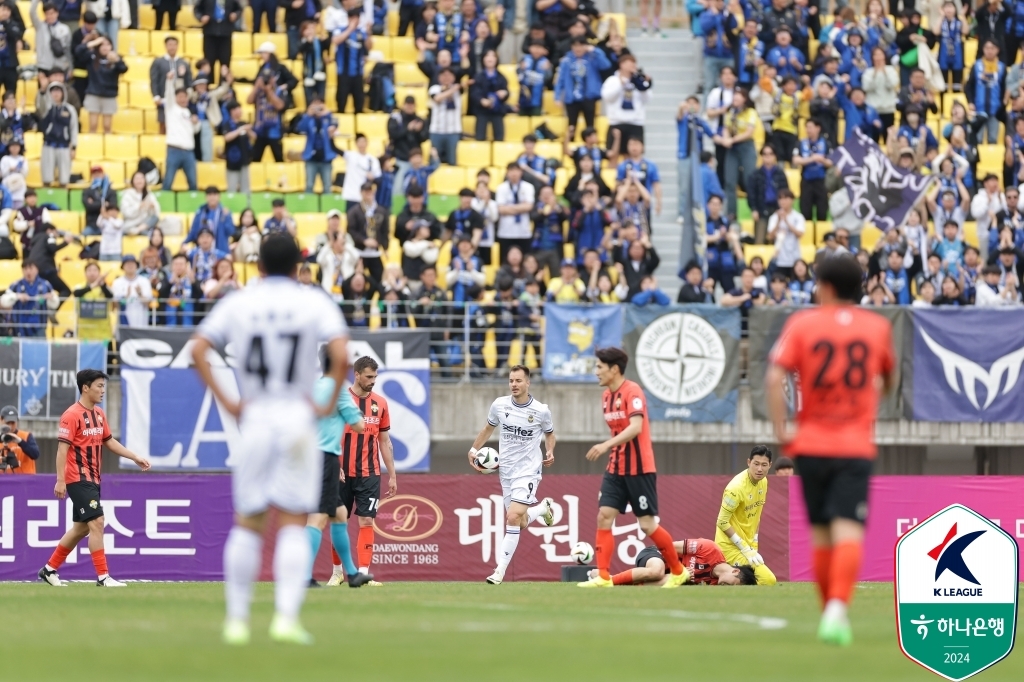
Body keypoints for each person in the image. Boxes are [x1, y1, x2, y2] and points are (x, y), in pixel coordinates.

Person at [191, 235, 350, 645]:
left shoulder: (240, 301)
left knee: (249, 521)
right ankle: (285, 619)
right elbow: (341, 352)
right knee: (295, 521)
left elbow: (198, 349)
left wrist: (229, 401)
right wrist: (328, 400)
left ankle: (237, 621)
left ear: (257, 266)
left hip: (257, 416)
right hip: (297, 419)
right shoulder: (314, 301)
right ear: (300, 265)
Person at [766, 254, 896, 646]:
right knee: (848, 530)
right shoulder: (877, 327)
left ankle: (830, 611)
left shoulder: (803, 324)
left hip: (811, 444)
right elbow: (889, 378)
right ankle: (837, 609)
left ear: (823, 286)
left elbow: (774, 378)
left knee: (822, 534)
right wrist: (869, 405)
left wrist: (783, 433)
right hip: (855, 444)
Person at [578, 347, 690, 589]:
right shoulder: (606, 396)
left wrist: (606, 444)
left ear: (614, 369)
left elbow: (636, 426)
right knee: (604, 516)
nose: (595, 371)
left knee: (647, 525)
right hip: (615, 468)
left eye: (599, 367)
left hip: (639, 469)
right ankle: (604, 577)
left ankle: (679, 572)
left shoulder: (633, 391)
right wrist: (611, 449)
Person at [38, 369, 152, 588]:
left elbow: (108, 441)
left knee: (81, 529)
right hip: (77, 479)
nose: (102, 390)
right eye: (99, 386)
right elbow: (62, 451)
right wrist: (60, 480)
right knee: (98, 522)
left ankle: (49, 569)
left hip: (94, 478)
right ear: (85, 387)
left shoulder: (99, 414)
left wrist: (135, 456)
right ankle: (103, 577)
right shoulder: (71, 415)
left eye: (104, 386)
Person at [467, 365, 555, 584]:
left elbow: (550, 434)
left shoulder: (541, 410)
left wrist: (550, 450)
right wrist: (473, 449)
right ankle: (542, 509)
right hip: (506, 471)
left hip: (529, 471)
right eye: (511, 381)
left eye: (518, 381)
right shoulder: (499, 405)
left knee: (512, 517)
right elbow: (488, 429)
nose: (514, 385)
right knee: (521, 521)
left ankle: (499, 571)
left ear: (528, 383)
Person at [318, 356, 396, 587]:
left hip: (369, 473)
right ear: (357, 374)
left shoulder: (380, 403)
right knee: (336, 520)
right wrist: (335, 463)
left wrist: (392, 474)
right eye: (369, 377)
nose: (373, 381)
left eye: (375, 377)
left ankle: (362, 573)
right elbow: (328, 434)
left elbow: (384, 441)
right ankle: (337, 572)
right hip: (340, 471)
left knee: (366, 521)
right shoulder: (340, 400)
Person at [306, 349, 372, 589]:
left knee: (339, 513)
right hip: (326, 456)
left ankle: (353, 573)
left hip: (309, 456)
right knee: (317, 517)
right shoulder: (337, 391)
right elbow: (358, 425)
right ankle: (303, 576)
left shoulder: (312, 387)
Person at [715, 445, 777, 585]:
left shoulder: (764, 482)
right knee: (768, 580)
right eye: (756, 464)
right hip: (730, 547)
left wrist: (754, 543)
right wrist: (743, 547)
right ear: (749, 462)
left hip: (747, 547)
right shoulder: (735, 488)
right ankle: (718, 579)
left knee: (760, 579)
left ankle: (726, 581)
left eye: (764, 465)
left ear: (770, 465)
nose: (759, 469)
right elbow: (721, 521)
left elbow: (757, 514)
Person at [602, 538, 757, 586]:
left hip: (667, 576)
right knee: (657, 571)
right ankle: (609, 581)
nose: (728, 589)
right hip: (657, 554)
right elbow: (667, 546)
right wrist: (678, 569)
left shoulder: (712, 585)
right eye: (734, 585)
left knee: (672, 580)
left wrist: (681, 578)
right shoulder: (710, 549)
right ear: (735, 571)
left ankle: (611, 580)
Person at [555, 37, 610, 131]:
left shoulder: (592, 57)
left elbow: (606, 65)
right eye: (575, 46)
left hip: (589, 97)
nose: (578, 48)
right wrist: (557, 97)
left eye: (581, 45)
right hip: (571, 98)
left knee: (590, 126)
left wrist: (595, 50)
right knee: (571, 126)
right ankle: (570, 144)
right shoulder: (566, 61)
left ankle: (591, 145)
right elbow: (560, 80)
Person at [76, 34, 126, 133]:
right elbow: (78, 52)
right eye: (102, 45)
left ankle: (109, 147)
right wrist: (93, 42)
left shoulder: (115, 58)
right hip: (93, 94)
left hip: (109, 95)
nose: (105, 47)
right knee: (93, 126)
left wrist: (117, 61)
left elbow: (124, 69)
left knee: (107, 127)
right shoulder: (92, 57)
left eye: (108, 45)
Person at [162, 71, 198, 191]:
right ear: (176, 98)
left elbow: (194, 131)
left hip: (188, 151)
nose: (183, 99)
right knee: (168, 181)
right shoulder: (171, 108)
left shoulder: (188, 112)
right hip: (174, 149)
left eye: (185, 96)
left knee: (193, 182)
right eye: (180, 97)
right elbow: (169, 95)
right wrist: (169, 81)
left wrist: (195, 123)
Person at [747, 145, 790, 244]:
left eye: (771, 154)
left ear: (775, 156)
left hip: (777, 209)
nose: (768, 156)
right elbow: (751, 194)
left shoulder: (780, 174)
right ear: (761, 156)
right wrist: (754, 209)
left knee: (779, 241)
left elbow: (785, 192)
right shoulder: (755, 174)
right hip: (761, 209)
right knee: (759, 241)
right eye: (765, 154)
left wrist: (784, 209)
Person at [39, 82, 78, 187]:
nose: (56, 94)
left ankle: (63, 197)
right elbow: (40, 106)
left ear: (63, 93)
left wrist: (74, 147)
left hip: (64, 145)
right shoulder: (47, 107)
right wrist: (42, 93)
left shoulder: (70, 109)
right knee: (46, 176)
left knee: (64, 178)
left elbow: (74, 128)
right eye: (53, 91)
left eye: (58, 91)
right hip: (48, 144)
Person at [333, 8, 371, 114]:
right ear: (348, 18)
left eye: (357, 18)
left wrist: (369, 33)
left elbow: (369, 46)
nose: (355, 20)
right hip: (343, 73)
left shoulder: (361, 33)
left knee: (359, 104)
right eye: (353, 18)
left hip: (358, 74)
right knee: (341, 103)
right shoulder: (340, 30)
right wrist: (349, 29)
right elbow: (335, 41)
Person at [495, 163, 535, 262]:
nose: (514, 173)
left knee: (524, 261)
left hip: (523, 232)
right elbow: (501, 209)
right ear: (507, 173)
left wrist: (509, 207)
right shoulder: (501, 188)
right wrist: (521, 207)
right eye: (511, 171)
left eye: (516, 170)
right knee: (505, 261)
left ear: (521, 172)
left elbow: (529, 206)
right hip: (505, 232)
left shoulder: (528, 187)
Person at [6, 260, 58, 337]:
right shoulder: (15, 285)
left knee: (40, 348)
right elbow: (4, 302)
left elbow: (55, 304)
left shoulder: (46, 285)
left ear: (37, 270)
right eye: (25, 269)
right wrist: (16, 296)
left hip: (39, 327)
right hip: (19, 328)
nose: (28, 272)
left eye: (31, 268)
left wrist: (50, 298)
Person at [428, 67, 463, 165]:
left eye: (449, 75)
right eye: (443, 75)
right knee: (434, 160)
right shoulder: (435, 88)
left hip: (453, 131)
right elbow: (437, 98)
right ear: (439, 77)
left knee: (452, 160)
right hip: (436, 131)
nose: (446, 78)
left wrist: (455, 88)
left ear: (454, 77)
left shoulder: (459, 89)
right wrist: (452, 90)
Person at [768, 189, 805, 279]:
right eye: (780, 199)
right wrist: (778, 221)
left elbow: (800, 234)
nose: (783, 201)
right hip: (779, 259)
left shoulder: (798, 217)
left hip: (794, 258)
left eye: (786, 198)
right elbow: (770, 236)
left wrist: (786, 221)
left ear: (792, 200)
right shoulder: (774, 217)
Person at [197, 0, 240, 77]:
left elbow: (238, 9)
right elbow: (197, 9)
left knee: (225, 63)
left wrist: (235, 15)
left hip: (225, 34)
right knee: (209, 62)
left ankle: (223, 85)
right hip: (210, 33)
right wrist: (201, 17)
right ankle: (208, 85)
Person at [73, 260, 113, 340]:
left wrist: (102, 284)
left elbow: (110, 296)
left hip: (103, 332)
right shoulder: (79, 286)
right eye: (89, 270)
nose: (92, 273)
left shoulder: (105, 287)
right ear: (85, 273)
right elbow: (76, 293)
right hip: (85, 333)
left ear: (99, 273)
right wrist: (93, 285)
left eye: (95, 270)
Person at [187, 187, 234, 254]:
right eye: (209, 195)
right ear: (205, 197)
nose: (212, 197)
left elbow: (230, 231)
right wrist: (185, 242)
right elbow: (194, 231)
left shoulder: (224, 212)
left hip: (220, 251)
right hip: (202, 252)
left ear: (219, 197)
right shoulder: (200, 212)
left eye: (214, 195)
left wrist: (225, 217)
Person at [31, 1, 72, 75]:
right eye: (47, 14)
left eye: (52, 13)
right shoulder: (40, 26)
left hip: (60, 66)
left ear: (57, 13)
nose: (50, 16)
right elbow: (32, 12)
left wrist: (70, 67)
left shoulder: (65, 28)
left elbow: (68, 49)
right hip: (43, 66)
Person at [341, 133, 382, 208]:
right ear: (356, 143)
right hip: (352, 195)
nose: (362, 144)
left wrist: (373, 178)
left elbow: (379, 179)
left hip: (366, 196)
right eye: (359, 142)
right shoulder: (351, 156)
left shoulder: (373, 160)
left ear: (367, 143)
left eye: (363, 142)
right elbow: (335, 149)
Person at [111, 254, 153, 326]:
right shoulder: (117, 282)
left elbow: (148, 304)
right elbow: (114, 305)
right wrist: (125, 297)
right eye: (127, 264)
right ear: (123, 267)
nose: (130, 266)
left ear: (136, 266)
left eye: (132, 263)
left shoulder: (144, 281)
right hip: (123, 322)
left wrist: (140, 294)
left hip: (141, 321)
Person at [0, 405, 40, 474]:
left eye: (13, 423)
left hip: (25, 481)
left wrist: (20, 442)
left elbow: (35, 454)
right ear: (1, 420)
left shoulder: (26, 436)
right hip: (4, 482)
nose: (10, 426)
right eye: (7, 423)